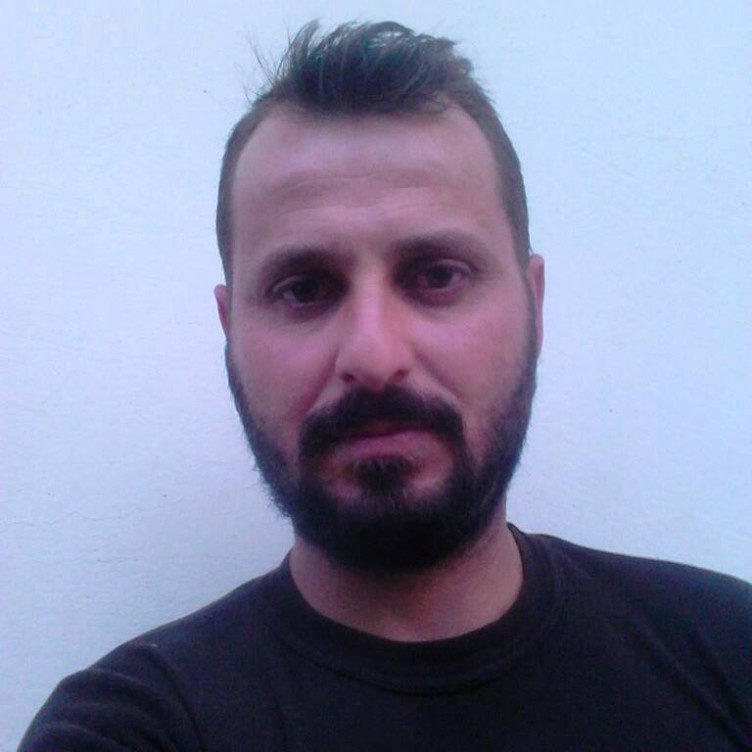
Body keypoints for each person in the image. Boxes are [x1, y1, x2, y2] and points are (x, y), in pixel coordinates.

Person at [20, 21, 751, 751]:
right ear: (229, 328)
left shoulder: (729, 648)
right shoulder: (129, 727)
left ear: (533, 306)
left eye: (437, 275)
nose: (373, 355)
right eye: (304, 288)